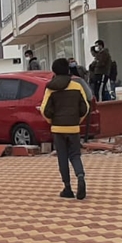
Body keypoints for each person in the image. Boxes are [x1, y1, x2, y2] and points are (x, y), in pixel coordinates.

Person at [40, 58, 90, 201]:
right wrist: (77, 121)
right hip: (73, 128)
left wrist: (52, 122)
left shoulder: (51, 88)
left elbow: (44, 110)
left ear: (54, 71)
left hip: (58, 129)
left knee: (62, 157)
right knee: (75, 155)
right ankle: (80, 176)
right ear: (68, 70)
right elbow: (85, 108)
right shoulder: (77, 86)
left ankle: (67, 188)